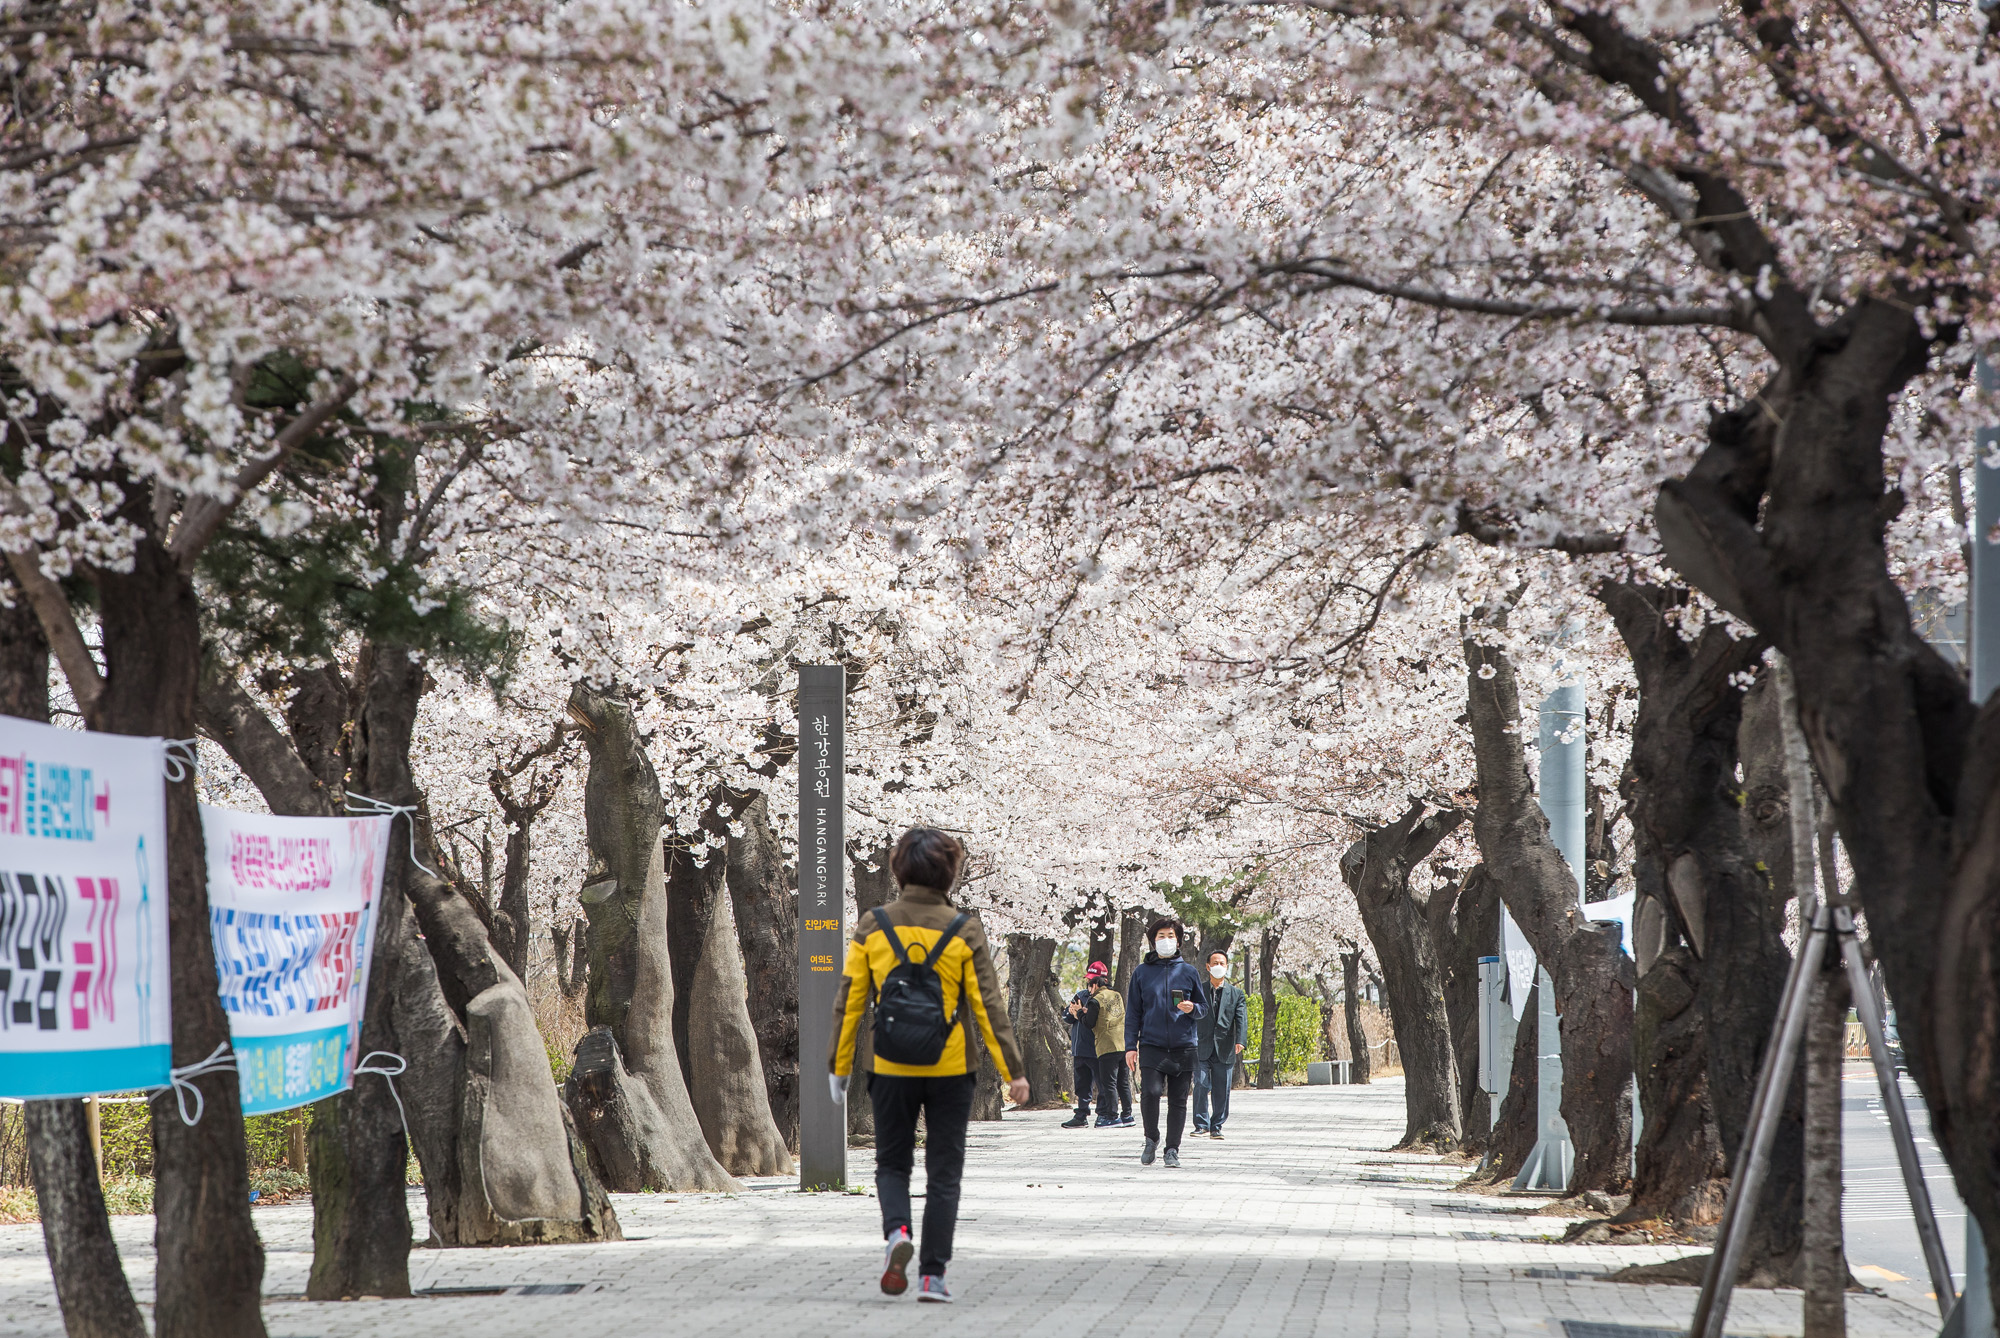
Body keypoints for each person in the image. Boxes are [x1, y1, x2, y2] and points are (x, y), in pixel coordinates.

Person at [829, 827, 1030, 1304]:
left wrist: (839, 1066)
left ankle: (897, 1232)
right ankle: (932, 1277)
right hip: (950, 1068)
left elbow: (850, 1001)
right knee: (944, 1172)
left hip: (890, 1064)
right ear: (949, 873)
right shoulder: (964, 929)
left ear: (898, 870)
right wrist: (1013, 1072)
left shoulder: (874, 924)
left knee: (892, 1163)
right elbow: (988, 1007)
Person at [1123, 915, 1205, 1167]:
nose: (1166, 940)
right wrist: (1130, 1046)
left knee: (1179, 1101)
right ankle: (1151, 1139)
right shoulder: (1141, 973)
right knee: (1150, 1093)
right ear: (1153, 941)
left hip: (1184, 1046)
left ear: (1178, 941)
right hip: (1151, 1045)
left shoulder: (1189, 972)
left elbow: (1203, 1009)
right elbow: (1133, 1012)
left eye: (1171, 936)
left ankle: (1172, 1149)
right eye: (1161, 936)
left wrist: (1192, 1007)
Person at [1192, 948, 1248, 1138]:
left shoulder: (1236, 994)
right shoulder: (1198, 990)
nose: (1218, 967)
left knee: (1221, 1089)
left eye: (1222, 964)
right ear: (1208, 967)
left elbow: (1241, 1018)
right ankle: (1201, 1124)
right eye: (1214, 963)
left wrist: (1240, 1040)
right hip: (1201, 1045)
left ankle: (1217, 1125)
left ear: (1227, 966)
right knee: (1200, 1083)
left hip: (1225, 1046)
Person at [1084, 961, 1132, 1127]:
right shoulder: (1117, 995)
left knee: (1109, 1082)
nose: (1088, 988)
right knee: (1123, 1082)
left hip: (1106, 1046)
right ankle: (1127, 1115)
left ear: (1095, 984)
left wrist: (1079, 1014)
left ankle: (1112, 1116)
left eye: (1089, 984)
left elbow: (1090, 1023)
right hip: (1122, 1044)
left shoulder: (1095, 1000)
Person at [1061, 974, 1100, 1128]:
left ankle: (1104, 1114)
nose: (1091, 984)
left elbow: (1094, 1021)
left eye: (1094, 981)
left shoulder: (1104, 997)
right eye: (1089, 980)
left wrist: (1080, 1013)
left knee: (1103, 1084)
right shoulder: (1080, 995)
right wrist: (1073, 1012)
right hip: (1079, 1049)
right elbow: (1066, 1016)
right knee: (1081, 1084)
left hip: (1097, 1048)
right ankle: (1081, 1115)